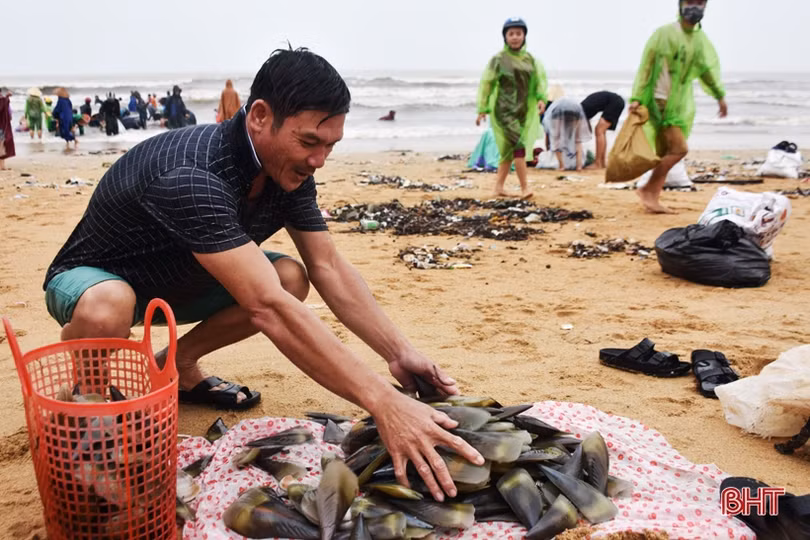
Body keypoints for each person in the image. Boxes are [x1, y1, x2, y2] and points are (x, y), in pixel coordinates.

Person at [42, 48, 483, 501]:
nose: (319, 160)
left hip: (180, 284)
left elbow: (327, 265)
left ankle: (176, 364)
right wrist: (384, 403)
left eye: (330, 145)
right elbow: (266, 307)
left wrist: (398, 353)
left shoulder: (285, 168)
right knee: (109, 304)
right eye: (310, 142)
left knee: (289, 276)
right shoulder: (192, 174)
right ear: (258, 116)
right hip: (93, 279)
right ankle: (87, 399)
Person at [630, 0, 727, 213]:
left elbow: (705, 70)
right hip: (658, 100)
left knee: (665, 150)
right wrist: (636, 97)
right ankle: (648, 190)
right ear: (681, 5)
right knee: (679, 149)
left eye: (700, 2)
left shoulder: (699, 40)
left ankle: (652, 196)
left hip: (678, 104)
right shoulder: (664, 34)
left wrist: (719, 96)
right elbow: (646, 65)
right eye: (691, 2)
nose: (696, 7)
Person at [476, 17, 547, 199]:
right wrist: (482, 108)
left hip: (522, 110)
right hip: (504, 111)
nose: (515, 37)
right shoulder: (498, 60)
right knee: (519, 147)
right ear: (505, 37)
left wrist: (541, 98)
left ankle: (498, 187)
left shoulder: (530, 59)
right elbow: (487, 84)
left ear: (524, 36)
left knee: (508, 152)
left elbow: (540, 81)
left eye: (519, 33)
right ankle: (525, 188)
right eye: (511, 34)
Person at [542, 87, 592, 171]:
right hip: (576, 110)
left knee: (556, 137)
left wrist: (548, 150)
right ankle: (579, 166)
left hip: (558, 114)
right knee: (577, 139)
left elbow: (549, 135)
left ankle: (562, 166)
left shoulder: (554, 106)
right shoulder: (570, 101)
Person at [580, 91, 625, 169]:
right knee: (601, 131)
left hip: (614, 102)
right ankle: (602, 163)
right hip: (617, 101)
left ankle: (597, 163)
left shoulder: (581, 112)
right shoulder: (583, 109)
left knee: (599, 130)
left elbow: (585, 129)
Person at [0, 90, 15, 170]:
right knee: (1, 145)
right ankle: (2, 166)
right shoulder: (3, 100)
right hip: (1, 126)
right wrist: (6, 97)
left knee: (1, 144)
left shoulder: (3, 100)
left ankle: (2, 166)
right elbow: (8, 112)